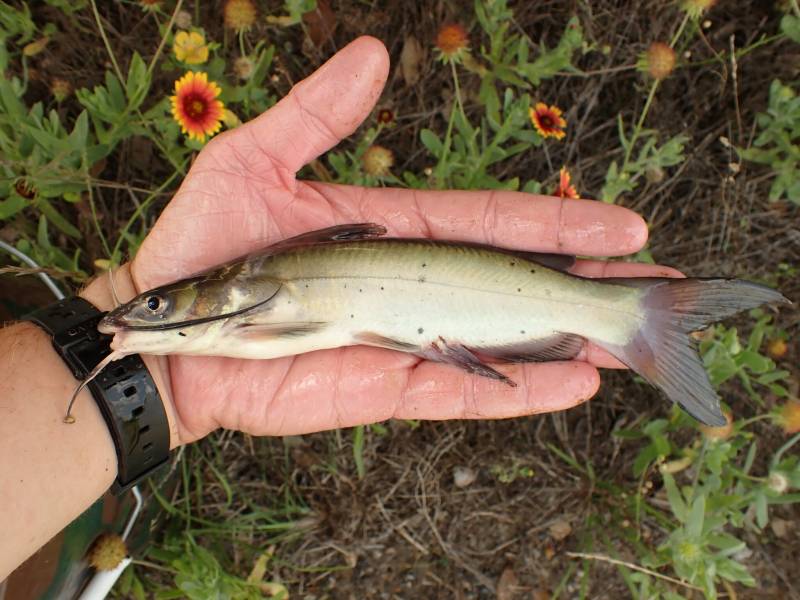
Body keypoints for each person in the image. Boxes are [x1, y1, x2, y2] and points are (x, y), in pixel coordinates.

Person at [0, 37, 672, 580]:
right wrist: (126, 318)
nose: (143, 313)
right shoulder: (236, 296)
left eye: (155, 303)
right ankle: (626, 317)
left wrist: (128, 317)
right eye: (151, 303)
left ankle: (629, 316)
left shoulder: (247, 287)